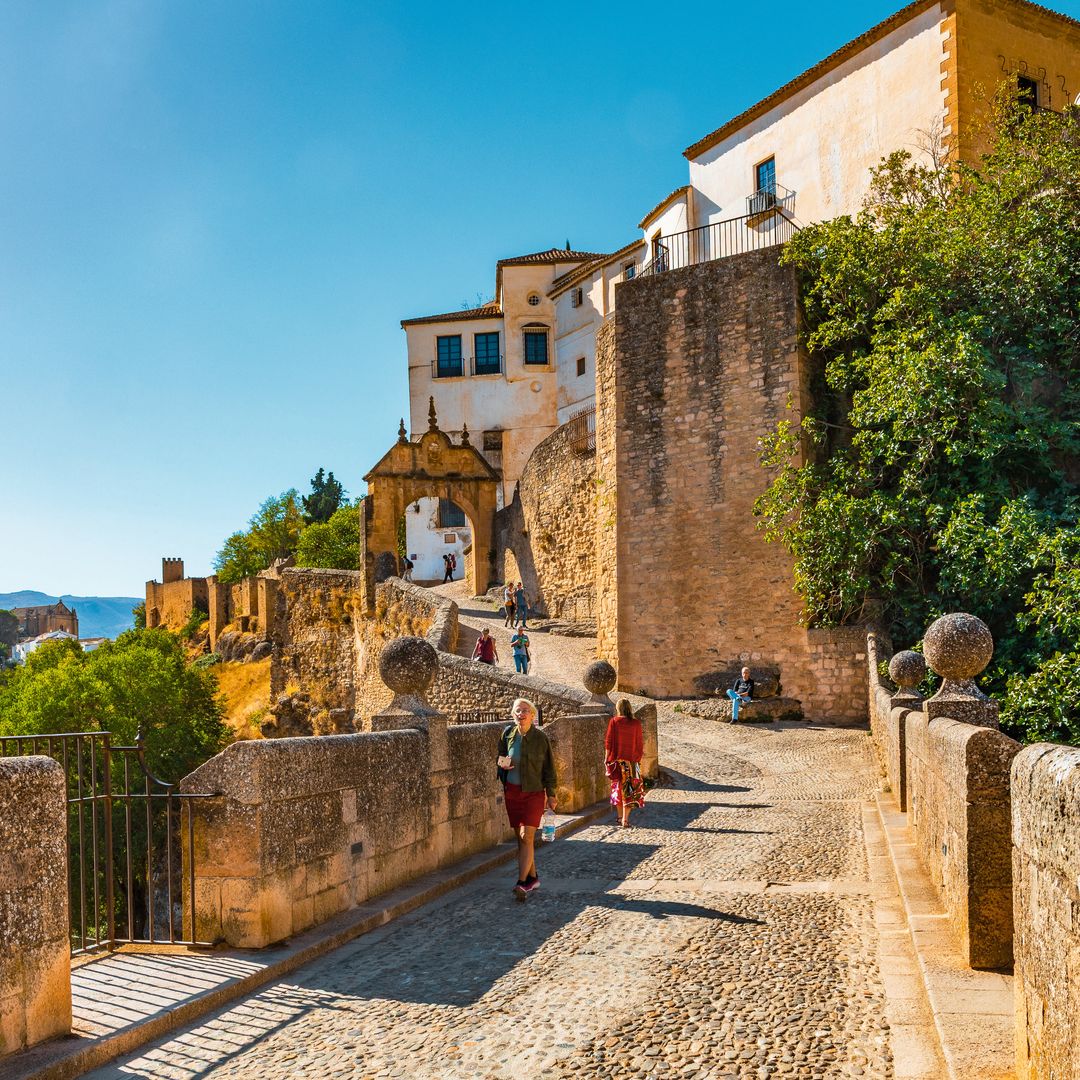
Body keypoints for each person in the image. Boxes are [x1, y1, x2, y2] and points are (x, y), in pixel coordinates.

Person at [496, 698, 557, 899]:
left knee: (527, 836)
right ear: (513, 715)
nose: (521, 714)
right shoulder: (507, 734)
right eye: (517, 711)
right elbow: (500, 757)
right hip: (512, 792)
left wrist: (552, 794)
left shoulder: (541, 738)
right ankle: (533, 877)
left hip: (534, 792)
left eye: (524, 711)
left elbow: (549, 768)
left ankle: (522, 884)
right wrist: (502, 765)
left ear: (532, 715)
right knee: (520, 839)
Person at [605, 698, 645, 828]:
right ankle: (625, 820)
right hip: (632, 763)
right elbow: (640, 744)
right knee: (630, 792)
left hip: (616, 761)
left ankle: (619, 817)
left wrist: (606, 760)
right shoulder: (636, 724)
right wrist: (637, 761)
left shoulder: (614, 722)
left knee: (618, 789)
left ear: (618, 708)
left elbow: (608, 743)